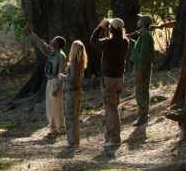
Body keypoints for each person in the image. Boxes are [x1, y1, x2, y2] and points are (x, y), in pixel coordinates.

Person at [87, 18, 129, 152]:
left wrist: (99, 27)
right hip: (119, 78)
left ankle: (114, 138)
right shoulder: (125, 41)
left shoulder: (109, 42)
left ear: (111, 29)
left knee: (111, 109)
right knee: (113, 107)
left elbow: (93, 41)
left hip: (109, 79)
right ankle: (109, 136)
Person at [35, 34, 67, 134]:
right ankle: (53, 126)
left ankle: (61, 127)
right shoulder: (52, 53)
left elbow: (61, 73)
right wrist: (32, 35)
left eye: (53, 40)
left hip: (56, 81)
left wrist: (58, 88)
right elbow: (43, 46)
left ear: (57, 44)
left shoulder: (61, 56)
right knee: (50, 105)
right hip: (49, 81)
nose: (51, 41)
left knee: (57, 105)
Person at [58, 40, 87, 146]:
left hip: (72, 92)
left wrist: (62, 76)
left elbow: (72, 78)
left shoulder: (75, 63)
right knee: (74, 117)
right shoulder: (81, 61)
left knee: (70, 117)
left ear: (73, 49)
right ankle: (74, 140)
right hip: (77, 91)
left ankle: (72, 141)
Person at [130, 14, 156, 126]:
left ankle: (142, 116)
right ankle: (144, 114)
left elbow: (144, 54)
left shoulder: (145, 35)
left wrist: (140, 70)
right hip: (142, 66)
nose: (138, 21)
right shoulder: (144, 34)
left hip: (141, 67)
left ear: (143, 22)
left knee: (140, 91)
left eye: (140, 19)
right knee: (143, 90)